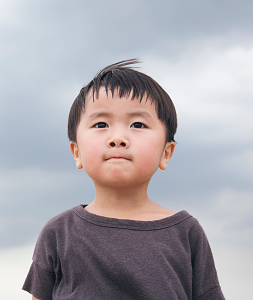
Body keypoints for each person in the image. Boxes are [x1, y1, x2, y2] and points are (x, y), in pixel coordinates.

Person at [23, 59, 225, 299]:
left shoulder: (186, 232)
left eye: (137, 124)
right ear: (77, 153)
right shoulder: (58, 232)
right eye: (101, 124)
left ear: (166, 153)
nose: (118, 138)